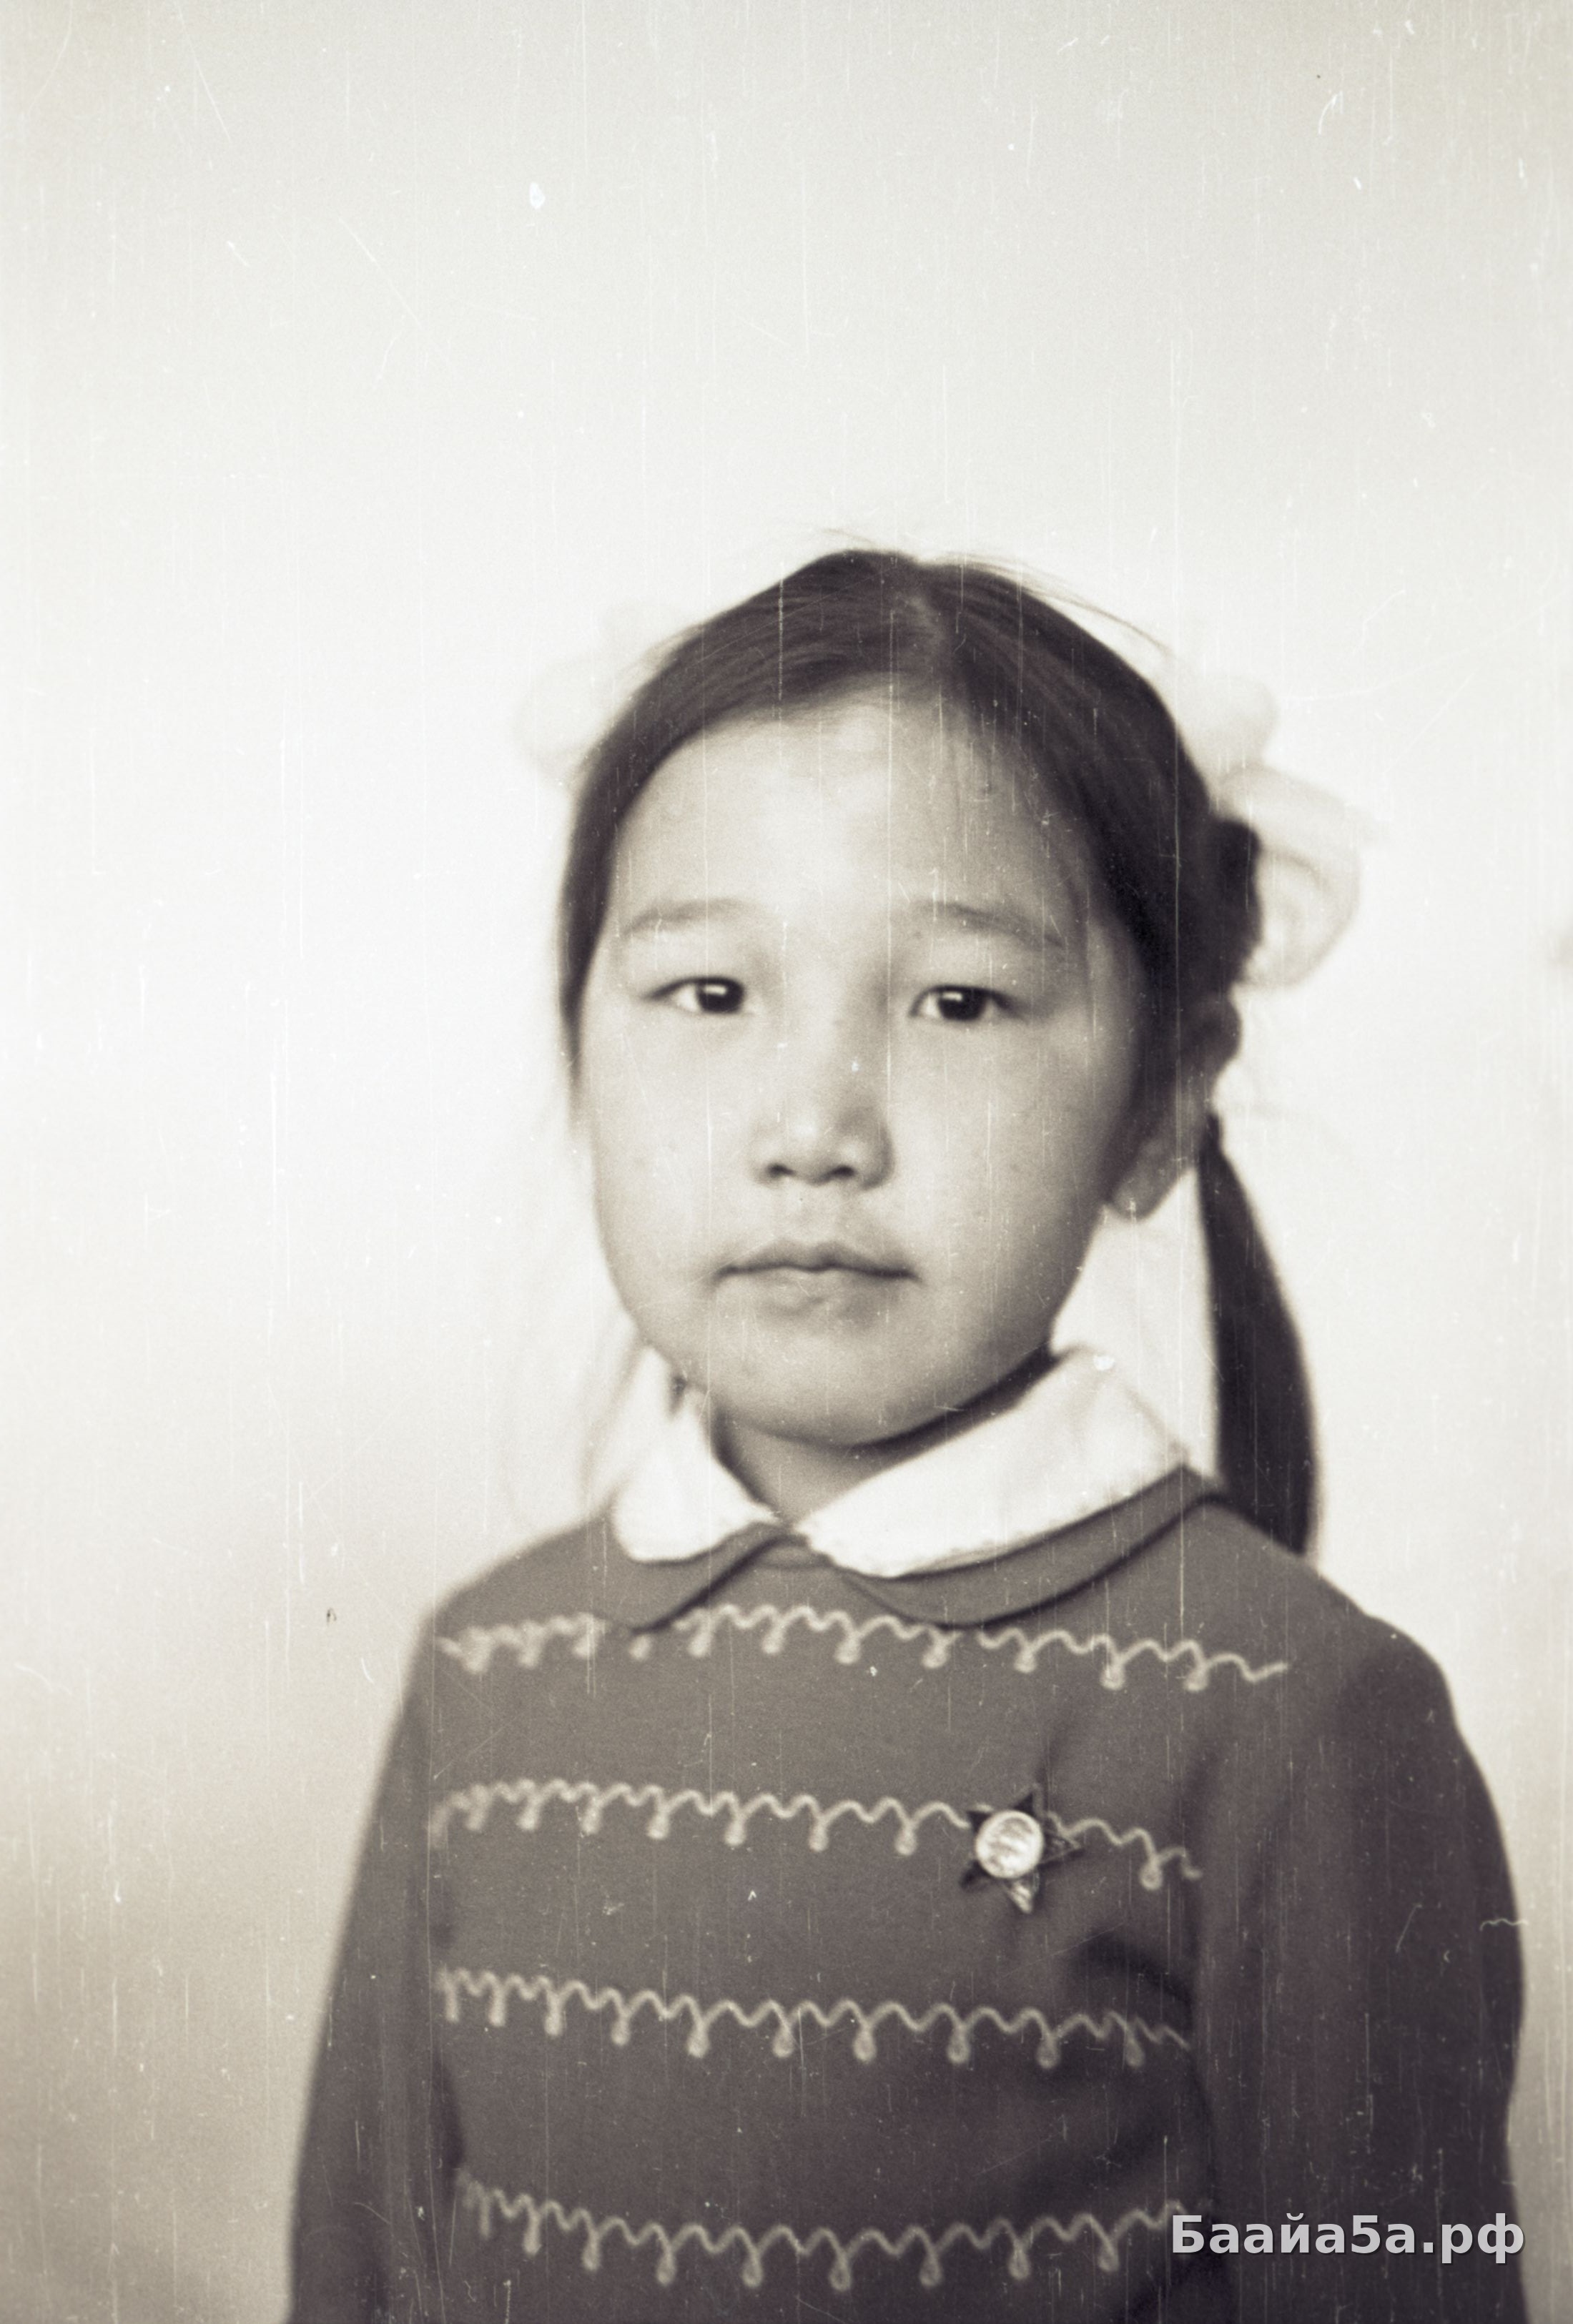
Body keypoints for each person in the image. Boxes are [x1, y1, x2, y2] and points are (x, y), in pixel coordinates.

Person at [287, 550, 1524, 2322]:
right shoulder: (487, 1668)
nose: (812, 1128)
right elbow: (363, 2275)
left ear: (1161, 1102)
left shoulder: (1289, 1715)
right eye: (709, 995)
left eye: (957, 1001)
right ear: (578, 1055)